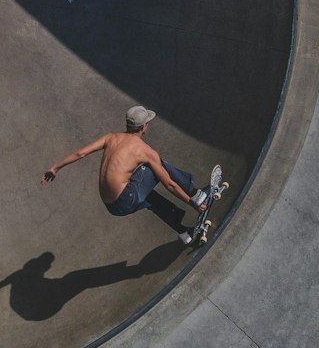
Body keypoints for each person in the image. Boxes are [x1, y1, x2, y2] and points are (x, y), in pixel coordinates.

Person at [41, 105, 222, 245]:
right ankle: (197, 194)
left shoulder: (110, 137)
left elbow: (80, 152)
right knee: (157, 164)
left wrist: (55, 167)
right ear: (144, 127)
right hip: (125, 198)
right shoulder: (143, 150)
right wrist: (191, 203)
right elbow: (169, 184)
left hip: (112, 206)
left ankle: (184, 233)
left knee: (148, 196)